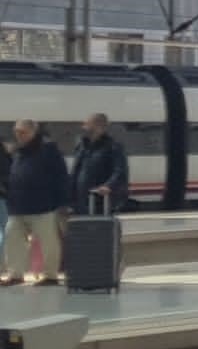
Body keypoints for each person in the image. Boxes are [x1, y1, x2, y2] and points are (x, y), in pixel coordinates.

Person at [3, 120, 68, 286]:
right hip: (18, 206)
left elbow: (61, 176)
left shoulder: (48, 150)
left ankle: (50, 275)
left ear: (33, 132)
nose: (19, 135)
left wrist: (62, 202)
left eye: (23, 132)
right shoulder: (18, 152)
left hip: (43, 206)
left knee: (49, 242)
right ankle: (15, 274)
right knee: (13, 239)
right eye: (17, 132)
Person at [71, 113, 128, 216]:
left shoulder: (113, 146)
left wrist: (108, 185)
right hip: (80, 200)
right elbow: (75, 170)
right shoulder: (82, 146)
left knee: (99, 229)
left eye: (87, 124)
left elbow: (120, 170)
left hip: (100, 200)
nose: (83, 127)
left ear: (99, 127)